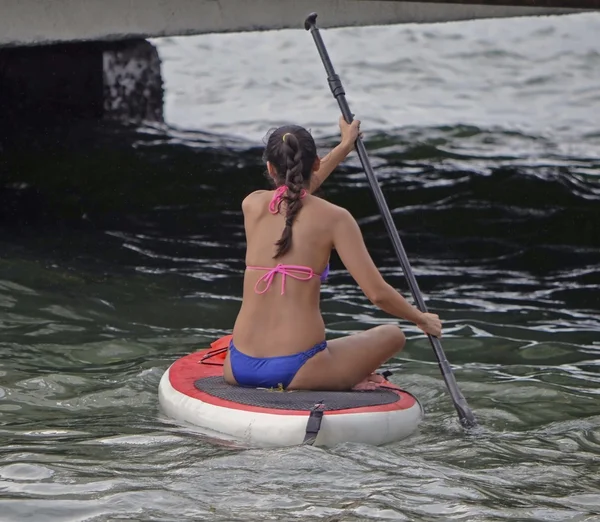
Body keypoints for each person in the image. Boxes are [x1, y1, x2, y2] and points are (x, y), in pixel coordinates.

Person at [223, 117, 442, 392]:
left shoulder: (251, 204)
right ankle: (347, 376)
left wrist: (344, 146)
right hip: (298, 370)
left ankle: (341, 373)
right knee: (393, 335)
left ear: (269, 167)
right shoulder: (336, 218)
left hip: (238, 366)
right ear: (315, 163)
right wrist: (421, 319)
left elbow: (293, 196)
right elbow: (377, 294)